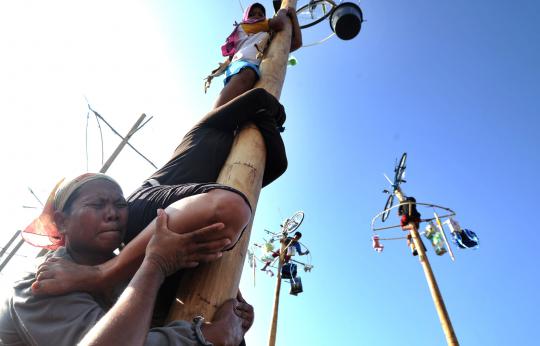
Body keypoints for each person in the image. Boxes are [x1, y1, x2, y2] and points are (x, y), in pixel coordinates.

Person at [26, 88, 288, 301]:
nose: (110, 213)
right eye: (97, 204)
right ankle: (102, 274)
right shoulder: (206, 128)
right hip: (147, 203)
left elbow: (277, 165)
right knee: (228, 210)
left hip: (180, 219)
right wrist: (268, 115)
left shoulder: (244, 160)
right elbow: (260, 97)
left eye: (113, 204)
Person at [0, 174, 254, 345]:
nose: (113, 214)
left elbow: (225, 209)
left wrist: (235, 317)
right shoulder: (41, 281)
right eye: (97, 205)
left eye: (121, 205)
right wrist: (210, 335)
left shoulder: (127, 277)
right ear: (62, 221)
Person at [207, 2, 302, 108]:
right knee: (247, 74)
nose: (256, 16)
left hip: (259, 70)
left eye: (260, 14)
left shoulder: (266, 38)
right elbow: (279, 23)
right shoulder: (244, 27)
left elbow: (296, 43)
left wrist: (293, 16)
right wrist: (282, 11)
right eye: (252, 14)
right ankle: (211, 122)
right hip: (241, 64)